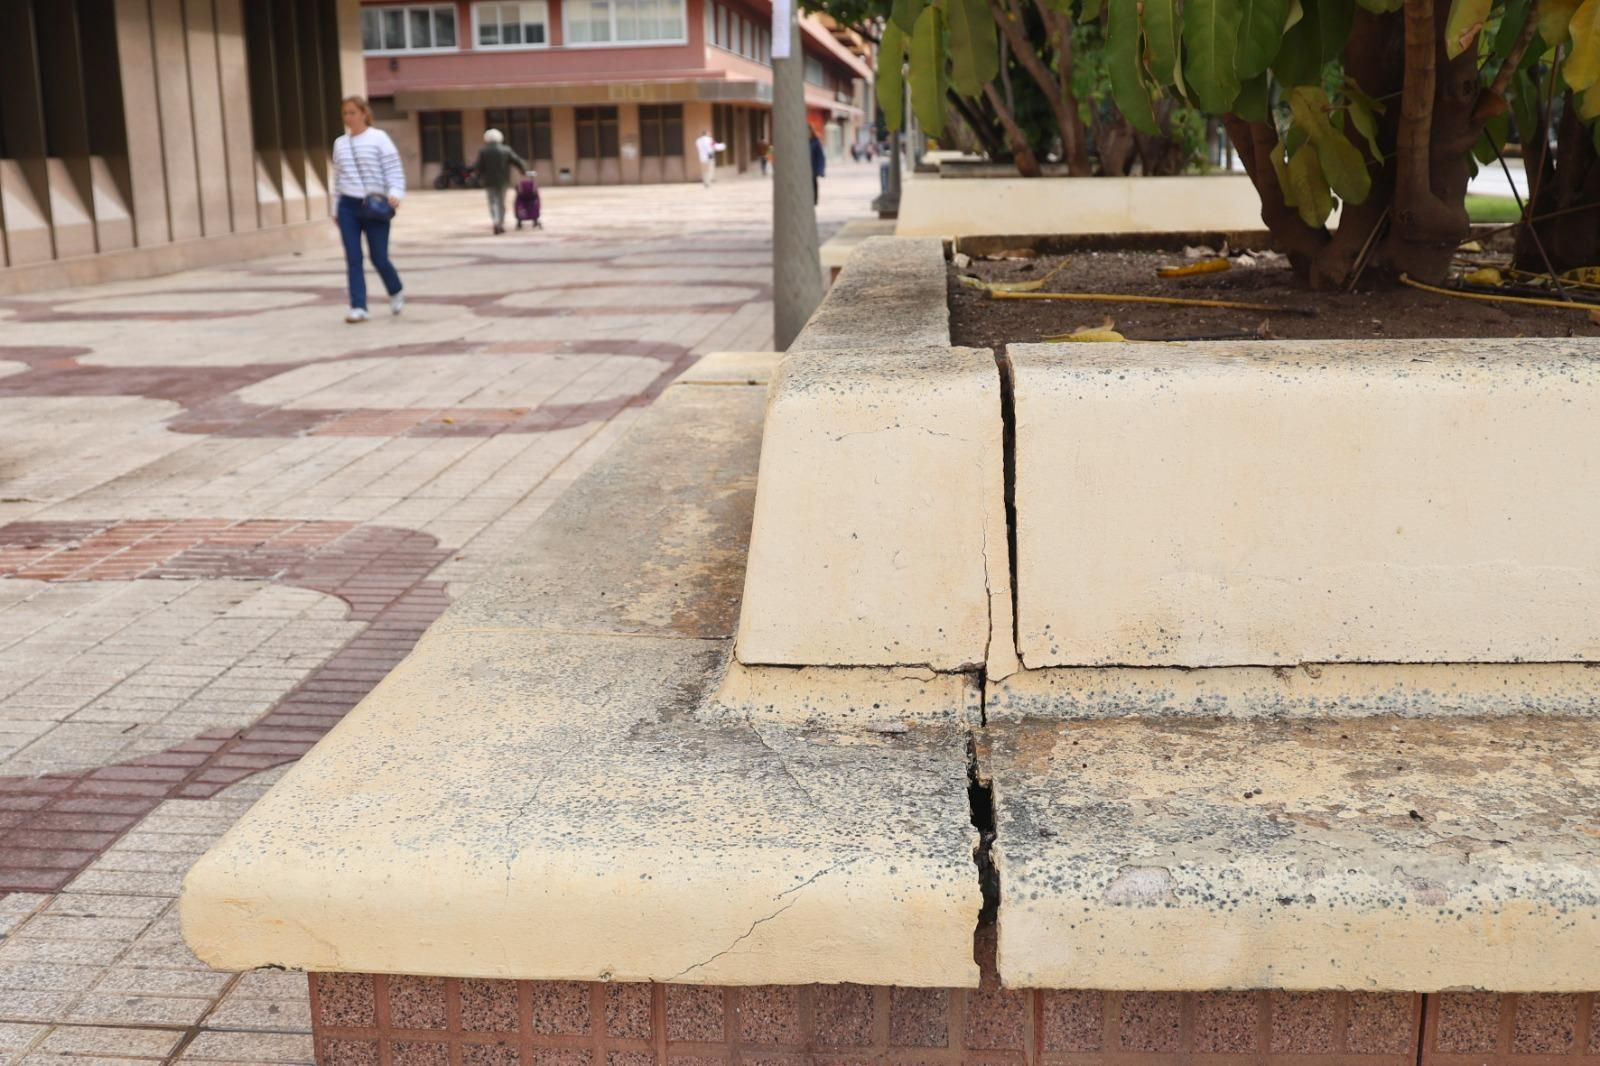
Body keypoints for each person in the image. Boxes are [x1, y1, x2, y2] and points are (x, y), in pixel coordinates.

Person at [332, 95, 405, 324]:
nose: (349, 117)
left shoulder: (379, 138)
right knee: (353, 257)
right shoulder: (340, 143)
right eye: (345, 113)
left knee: (379, 257)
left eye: (353, 112)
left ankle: (395, 289)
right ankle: (359, 306)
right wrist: (336, 207)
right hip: (348, 205)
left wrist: (395, 192)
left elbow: (394, 169)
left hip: (375, 204)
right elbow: (338, 177)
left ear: (364, 113)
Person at [475, 129, 529, 235]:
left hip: (489, 181)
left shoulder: (483, 151)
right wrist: (524, 170)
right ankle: (500, 223)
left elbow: (479, 167)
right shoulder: (506, 150)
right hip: (503, 181)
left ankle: (495, 222)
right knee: (501, 202)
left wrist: (478, 178)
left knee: (493, 202)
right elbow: (517, 160)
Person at [809, 127, 826, 206]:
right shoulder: (801, 143)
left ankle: (814, 200)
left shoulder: (815, 142)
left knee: (813, 184)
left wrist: (821, 170)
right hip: (804, 170)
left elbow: (821, 158)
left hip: (813, 169)